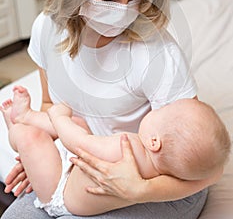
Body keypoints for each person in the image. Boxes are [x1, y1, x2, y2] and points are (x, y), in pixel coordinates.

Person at [1, 0, 224, 219]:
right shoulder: (48, 29)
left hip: (163, 186)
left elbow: (203, 169)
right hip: (83, 169)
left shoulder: (155, 52)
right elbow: (52, 105)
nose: (125, 11)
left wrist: (138, 189)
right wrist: (40, 155)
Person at [1, 86, 231, 217]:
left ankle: (17, 126)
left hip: (59, 191)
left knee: (32, 138)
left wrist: (59, 116)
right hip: (75, 169)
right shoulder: (170, 169)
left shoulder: (124, 150)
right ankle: (26, 116)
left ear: (154, 142)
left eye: (161, 111)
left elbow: (77, 142)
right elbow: (211, 170)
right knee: (79, 123)